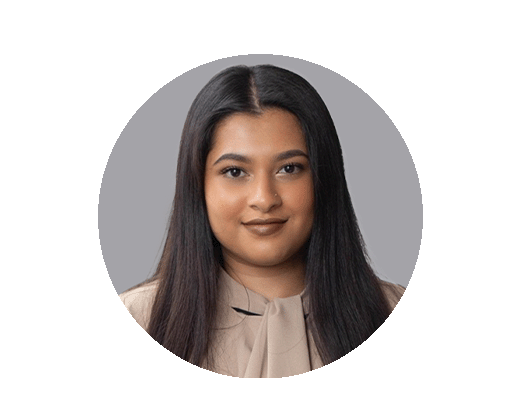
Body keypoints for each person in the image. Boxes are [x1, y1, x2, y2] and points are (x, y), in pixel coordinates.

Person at [119, 64, 406, 378]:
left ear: (325, 178)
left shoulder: (388, 310)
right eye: (235, 172)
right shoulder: (142, 319)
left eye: (289, 168)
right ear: (198, 185)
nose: (265, 199)